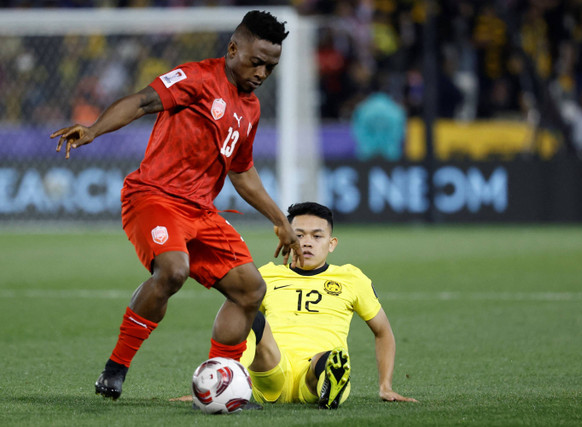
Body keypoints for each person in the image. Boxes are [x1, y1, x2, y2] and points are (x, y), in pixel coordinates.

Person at [50, 10, 303, 401]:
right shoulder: (197, 77)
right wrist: (94, 129)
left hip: (201, 212)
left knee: (251, 290)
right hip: (153, 197)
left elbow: (242, 171)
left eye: (271, 67)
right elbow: (141, 102)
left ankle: (223, 380)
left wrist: (280, 221)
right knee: (173, 270)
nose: (262, 73)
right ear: (234, 48)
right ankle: (115, 369)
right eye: (256, 62)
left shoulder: (249, 108)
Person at [242, 202, 417, 408]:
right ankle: (227, 385)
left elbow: (383, 332)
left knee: (330, 359)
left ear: (331, 243)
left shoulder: (351, 279)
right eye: (299, 235)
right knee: (246, 314)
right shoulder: (266, 276)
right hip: (273, 370)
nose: (307, 243)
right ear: (287, 238)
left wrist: (385, 386)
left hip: (316, 370)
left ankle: (329, 385)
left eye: (317, 236)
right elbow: (236, 325)